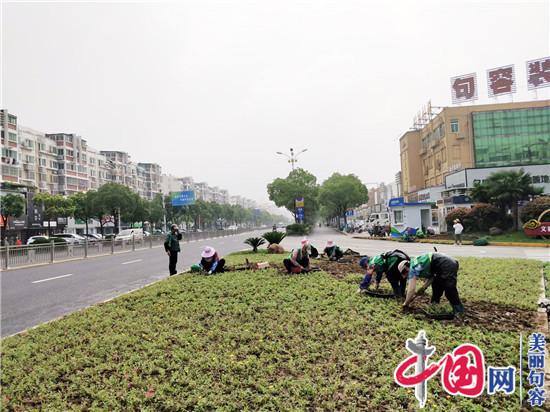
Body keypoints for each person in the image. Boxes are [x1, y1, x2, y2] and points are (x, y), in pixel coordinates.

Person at [398, 252, 464, 315]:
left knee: (449, 289)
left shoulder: (412, 268)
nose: (405, 275)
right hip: (440, 266)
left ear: (406, 267)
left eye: (404, 272)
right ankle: (434, 306)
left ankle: (459, 311)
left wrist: (406, 303)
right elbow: (432, 277)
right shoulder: (418, 264)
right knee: (436, 286)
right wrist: (423, 288)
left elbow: (411, 290)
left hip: (446, 264)